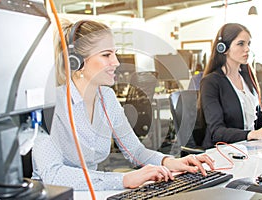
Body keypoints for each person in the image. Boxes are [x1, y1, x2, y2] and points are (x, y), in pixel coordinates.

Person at [31, 18, 215, 191]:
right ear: (77, 61)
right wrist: (124, 180)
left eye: (115, 54)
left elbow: (134, 150)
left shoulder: (107, 98)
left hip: (90, 192)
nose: (116, 62)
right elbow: (52, 174)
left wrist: (170, 161)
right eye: (106, 55)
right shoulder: (51, 105)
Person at [199, 23, 262, 149]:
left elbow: (258, 120)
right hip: (223, 152)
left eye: (248, 44)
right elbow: (217, 132)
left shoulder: (247, 77)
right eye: (241, 44)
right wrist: (252, 134)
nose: (247, 49)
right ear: (223, 48)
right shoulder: (211, 82)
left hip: (250, 148)